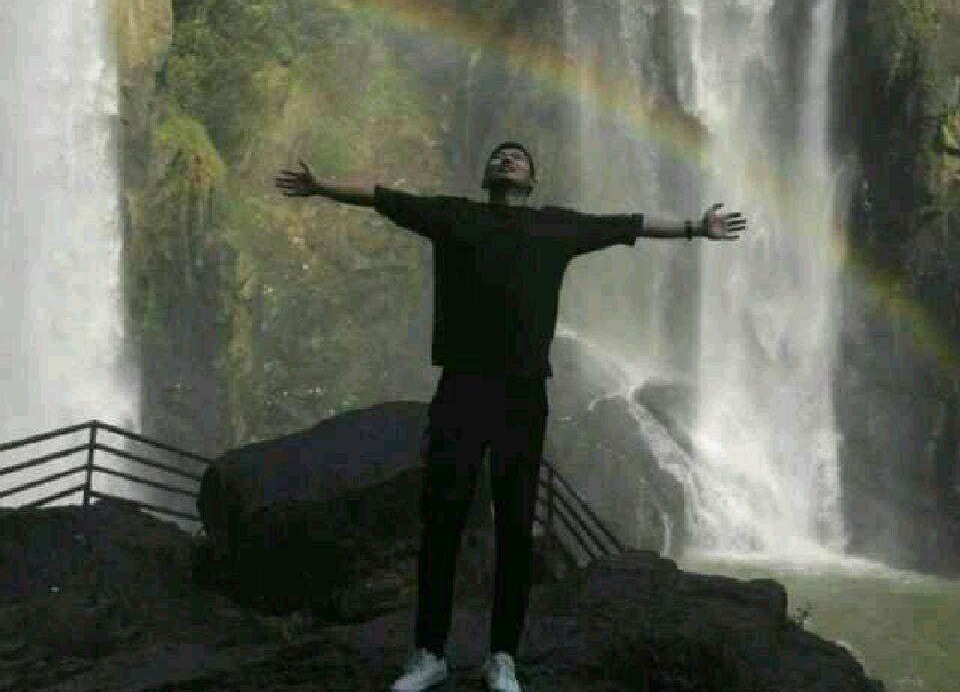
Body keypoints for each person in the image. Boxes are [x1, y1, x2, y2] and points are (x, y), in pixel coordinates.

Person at [275, 142, 746, 692]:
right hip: (461, 388)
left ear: (532, 180)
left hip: (523, 395)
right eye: (499, 155)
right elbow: (384, 199)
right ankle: (429, 654)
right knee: (443, 525)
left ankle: (503, 657)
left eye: (517, 157)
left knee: (517, 529)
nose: (506, 159)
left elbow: (631, 225)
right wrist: (322, 187)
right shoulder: (454, 215)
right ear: (485, 174)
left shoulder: (556, 227)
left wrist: (697, 228)